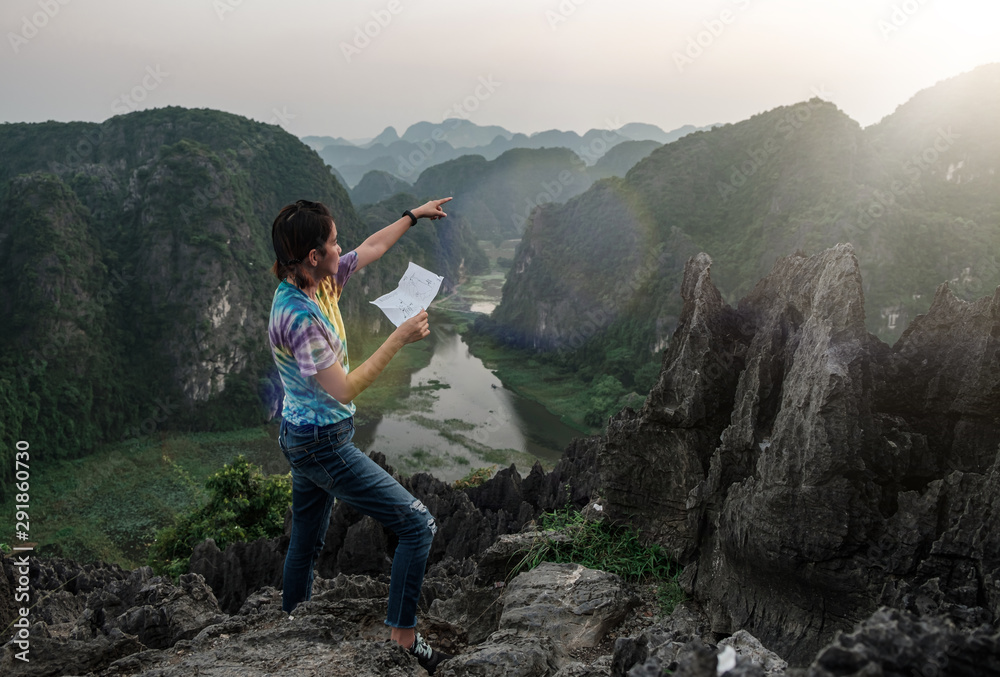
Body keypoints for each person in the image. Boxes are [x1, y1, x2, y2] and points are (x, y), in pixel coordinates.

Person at [268, 196, 454, 674]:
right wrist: (398, 338)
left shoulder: (318, 281)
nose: (341, 247)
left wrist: (414, 216)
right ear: (314, 255)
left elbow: (372, 247)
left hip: (304, 434)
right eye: (333, 242)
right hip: (322, 442)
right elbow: (343, 388)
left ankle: (291, 631)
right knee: (418, 526)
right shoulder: (299, 315)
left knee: (305, 543)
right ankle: (403, 639)